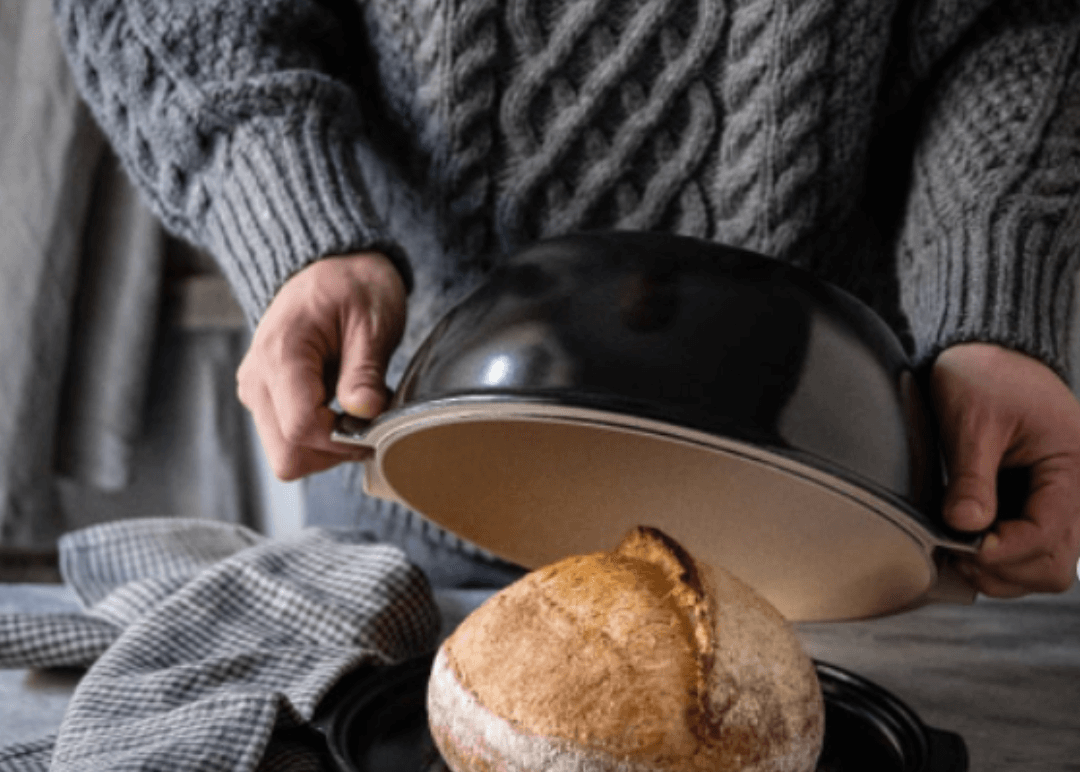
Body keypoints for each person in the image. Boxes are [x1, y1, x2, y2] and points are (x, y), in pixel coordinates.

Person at [53, 0, 1080, 598]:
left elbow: (1028, 22)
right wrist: (285, 209)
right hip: (425, 468)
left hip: (844, 508)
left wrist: (999, 275)